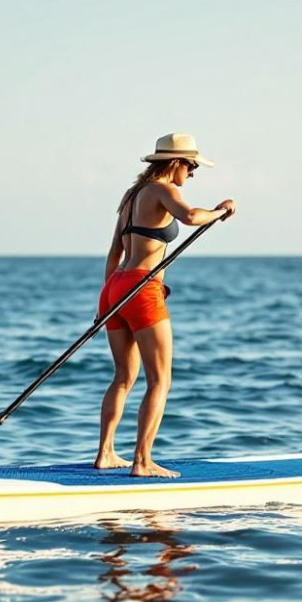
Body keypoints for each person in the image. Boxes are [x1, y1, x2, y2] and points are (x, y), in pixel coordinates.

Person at [95, 134, 236, 478]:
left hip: (115, 287)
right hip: (142, 289)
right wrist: (220, 210)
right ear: (175, 163)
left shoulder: (131, 197)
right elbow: (189, 216)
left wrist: (106, 302)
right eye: (190, 166)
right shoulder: (163, 190)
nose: (191, 174)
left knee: (123, 378)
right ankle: (142, 461)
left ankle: (106, 454)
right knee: (160, 380)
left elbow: (115, 252)